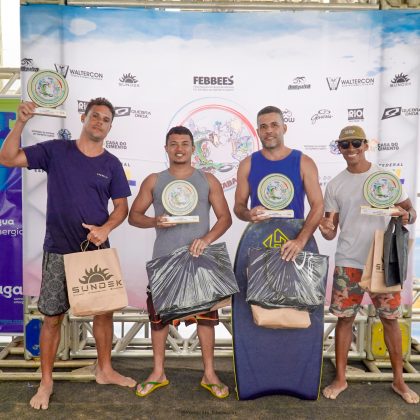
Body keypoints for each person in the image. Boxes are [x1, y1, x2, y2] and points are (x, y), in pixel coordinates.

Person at [0, 98, 136, 410]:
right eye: (95, 117)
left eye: (105, 119)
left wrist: (106, 229)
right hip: (58, 249)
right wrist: (20, 123)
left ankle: (105, 370)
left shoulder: (112, 164)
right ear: (84, 118)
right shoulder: (56, 151)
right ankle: (45, 382)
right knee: (52, 318)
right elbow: (7, 159)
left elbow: (121, 209)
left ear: (110, 127)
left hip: (94, 250)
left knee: (105, 313)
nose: (99, 122)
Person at [128, 126, 232, 398]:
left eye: (185, 143)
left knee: (206, 318)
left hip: (200, 258)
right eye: (174, 144)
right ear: (166, 148)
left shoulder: (208, 180)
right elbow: (134, 216)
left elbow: (225, 218)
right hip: (164, 260)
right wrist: (153, 220)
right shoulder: (154, 180)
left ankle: (209, 373)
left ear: (192, 148)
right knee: (159, 320)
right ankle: (158, 373)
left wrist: (207, 239)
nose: (179, 148)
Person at [319, 125, 419, 404]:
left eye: (355, 143)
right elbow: (331, 229)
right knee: (344, 319)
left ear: (365, 145)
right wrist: (324, 227)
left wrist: (405, 215)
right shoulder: (335, 184)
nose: (351, 149)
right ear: (339, 148)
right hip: (348, 260)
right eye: (344, 145)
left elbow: (410, 211)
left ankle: (399, 381)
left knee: (390, 320)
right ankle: (341, 378)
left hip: (383, 259)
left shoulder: (384, 178)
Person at [234, 105, 323, 259]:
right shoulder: (247, 164)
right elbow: (238, 207)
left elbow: (318, 205)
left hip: (295, 244)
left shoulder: (304, 162)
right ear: (258, 132)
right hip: (258, 245)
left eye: (274, 125)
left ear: (284, 128)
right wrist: (249, 214)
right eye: (263, 127)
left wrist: (301, 241)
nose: (269, 130)